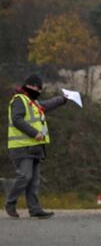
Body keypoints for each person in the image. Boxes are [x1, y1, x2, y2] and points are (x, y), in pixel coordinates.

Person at [5, 74, 69, 218]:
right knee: (25, 176)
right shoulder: (19, 100)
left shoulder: (33, 103)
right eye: (34, 86)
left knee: (34, 181)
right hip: (21, 147)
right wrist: (34, 133)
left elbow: (47, 104)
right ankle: (10, 202)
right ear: (27, 85)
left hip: (34, 147)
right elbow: (16, 120)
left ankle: (34, 209)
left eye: (39, 88)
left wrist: (63, 99)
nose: (37, 90)